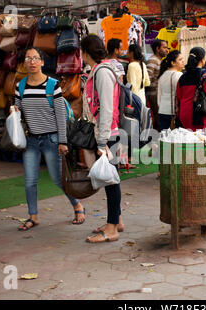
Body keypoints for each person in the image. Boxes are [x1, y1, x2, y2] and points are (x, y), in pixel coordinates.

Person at [13, 47, 85, 230]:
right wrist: (14, 110)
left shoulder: (53, 85)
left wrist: (62, 141)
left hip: (52, 140)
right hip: (31, 141)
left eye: (36, 58)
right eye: (28, 58)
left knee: (57, 179)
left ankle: (77, 204)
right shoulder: (20, 86)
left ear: (42, 62)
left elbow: (61, 116)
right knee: (30, 180)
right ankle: (33, 216)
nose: (32, 62)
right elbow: (18, 108)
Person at [81, 35, 123, 243]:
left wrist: (102, 142)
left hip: (107, 134)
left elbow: (106, 108)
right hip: (107, 133)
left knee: (110, 180)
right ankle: (117, 221)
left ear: (85, 52)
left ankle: (112, 228)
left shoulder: (103, 72)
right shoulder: (100, 70)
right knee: (111, 179)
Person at [177, 47, 206, 130]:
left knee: (189, 139)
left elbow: (179, 95)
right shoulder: (204, 73)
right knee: (201, 140)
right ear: (203, 59)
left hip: (185, 113)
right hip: (199, 113)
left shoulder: (183, 76)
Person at [157, 50, 185, 130]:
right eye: (180, 59)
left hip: (162, 110)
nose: (183, 61)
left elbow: (159, 96)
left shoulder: (162, 76)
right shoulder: (178, 75)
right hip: (173, 112)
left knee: (164, 137)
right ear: (173, 63)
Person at [146, 39, 169, 131]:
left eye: (167, 48)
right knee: (159, 119)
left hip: (159, 94)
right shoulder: (153, 60)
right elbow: (148, 79)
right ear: (157, 48)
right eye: (164, 47)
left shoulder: (160, 61)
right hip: (154, 94)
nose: (167, 50)